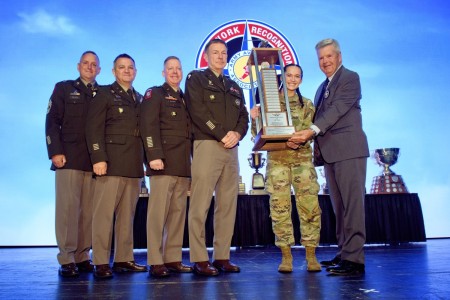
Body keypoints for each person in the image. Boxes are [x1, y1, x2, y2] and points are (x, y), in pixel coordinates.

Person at [290, 38, 369, 276]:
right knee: (340, 207)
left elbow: (336, 111)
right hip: (331, 155)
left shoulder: (350, 78)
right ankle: (344, 252)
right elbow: (316, 119)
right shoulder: (321, 87)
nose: (325, 61)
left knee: (352, 206)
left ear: (339, 57)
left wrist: (310, 131)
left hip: (349, 151)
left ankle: (354, 259)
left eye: (329, 56)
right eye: (321, 58)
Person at [185, 39, 249, 276]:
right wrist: (223, 133)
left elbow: (244, 116)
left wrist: (237, 133)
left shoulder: (234, 86)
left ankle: (222, 256)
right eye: (216, 53)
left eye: (224, 53)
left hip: (231, 149)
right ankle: (200, 259)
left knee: (227, 205)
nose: (221, 57)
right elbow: (198, 111)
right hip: (208, 145)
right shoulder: (196, 79)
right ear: (207, 56)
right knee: (200, 205)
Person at [250, 64, 322, 273]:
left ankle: (311, 255)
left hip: (302, 162)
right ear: (283, 77)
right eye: (289, 75)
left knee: (310, 207)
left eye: (297, 76)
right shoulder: (268, 104)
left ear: (301, 79)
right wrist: (254, 117)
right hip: (278, 162)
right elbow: (258, 135)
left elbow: (311, 132)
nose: (292, 79)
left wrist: (296, 140)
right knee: (280, 209)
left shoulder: (307, 104)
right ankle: (286, 256)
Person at [85, 53, 147, 279]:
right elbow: (93, 128)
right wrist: (98, 158)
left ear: (136, 71)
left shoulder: (140, 98)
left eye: (130, 67)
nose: (127, 71)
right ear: (113, 72)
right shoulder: (103, 94)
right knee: (103, 215)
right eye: (122, 67)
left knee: (126, 216)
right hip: (110, 164)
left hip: (133, 165)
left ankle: (123, 259)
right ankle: (100, 261)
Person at [45, 51, 100, 277]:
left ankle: (82, 255)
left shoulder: (103, 93)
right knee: (68, 211)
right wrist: (55, 152)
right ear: (78, 66)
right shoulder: (64, 88)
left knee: (88, 212)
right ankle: (66, 258)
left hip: (93, 161)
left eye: (94, 65)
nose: (89, 67)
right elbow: (52, 121)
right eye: (85, 63)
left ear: (99, 70)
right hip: (68, 158)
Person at [140, 56, 193, 278]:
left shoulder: (186, 98)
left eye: (178, 69)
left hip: (182, 165)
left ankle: (172, 258)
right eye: (170, 69)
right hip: (162, 163)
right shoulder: (155, 94)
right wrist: (153, 156)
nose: (174, 72)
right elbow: (148, 125)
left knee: (177, 215)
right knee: (157, 215)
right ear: (163, 73)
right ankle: (155, 260)